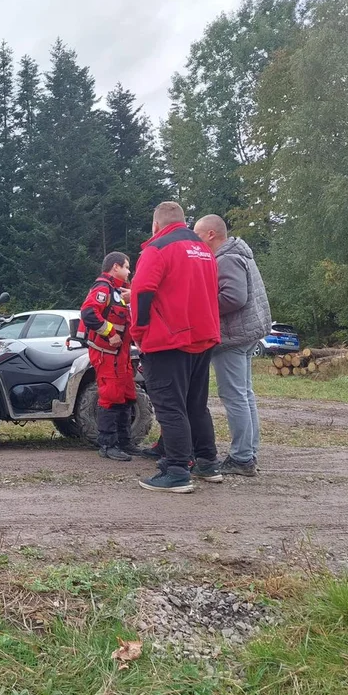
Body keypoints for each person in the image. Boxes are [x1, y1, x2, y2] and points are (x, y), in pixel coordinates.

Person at [131, 201, 222, 493]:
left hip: (168, 339)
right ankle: (208, 462)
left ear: (156, 225)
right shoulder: (205, 250)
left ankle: (177, 470)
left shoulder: (156, 249)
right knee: (195, 405)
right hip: (203, 335)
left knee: (170, 407)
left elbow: (141, 292)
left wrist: (139, 332)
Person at [194, 214, 271, 478]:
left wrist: (201, 305)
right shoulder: (241, 254)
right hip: (247, 334)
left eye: (198, 234)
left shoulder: (226, 259)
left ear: (211, 235)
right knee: (245, 394)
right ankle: (247, 453)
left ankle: (241, 458)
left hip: (233, 337)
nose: (196, 240)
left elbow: (234, 297)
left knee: (235, 396)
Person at [78, 252, 143, 461]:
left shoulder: (119, 292)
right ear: (115, 267)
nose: (129, 271)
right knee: (111, 395)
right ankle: (107, 444)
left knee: (126, 394)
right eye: (126, 267)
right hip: (107, 353)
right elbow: (88, 313)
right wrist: (110, 333)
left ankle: (125, 442)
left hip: (121, 354)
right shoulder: (103, 288)